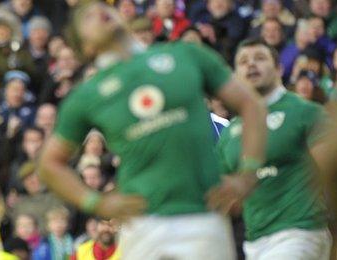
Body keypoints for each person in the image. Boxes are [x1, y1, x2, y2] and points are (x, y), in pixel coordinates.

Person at [37, 2, 267, 259]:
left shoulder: (186, 54)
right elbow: (49, 164)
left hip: (203, 214)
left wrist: (248, 174)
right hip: (142, 222)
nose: (98, 12)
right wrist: (97, 202)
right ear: (86, 47)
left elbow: (252, 104)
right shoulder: (86, 96)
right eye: (86, 17)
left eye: (102, 7)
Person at [215, 38, 332, 259]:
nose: (251, 64)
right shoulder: (230, 134)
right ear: (236, 76)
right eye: (243, 61)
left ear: (279, 68)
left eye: (259, 58)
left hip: (301, 231)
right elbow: (225, 201)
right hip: (255, 242)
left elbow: (334, 172)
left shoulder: (305, 112)